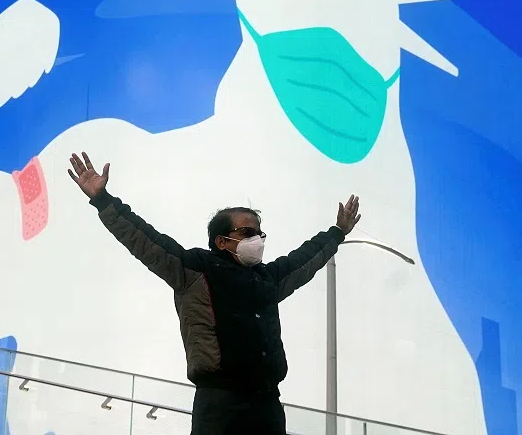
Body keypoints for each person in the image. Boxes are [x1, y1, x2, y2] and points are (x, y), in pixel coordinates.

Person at [67, 152, 361, 435]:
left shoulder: (268, 279)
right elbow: (143, 238)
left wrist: (338, 232)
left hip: (268, 406)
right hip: (219, 406)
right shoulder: (194, 269)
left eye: (259, 233)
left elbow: (305, 258)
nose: (256, 239)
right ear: (221, 241)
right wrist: (102, 199)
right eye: (247, 233)